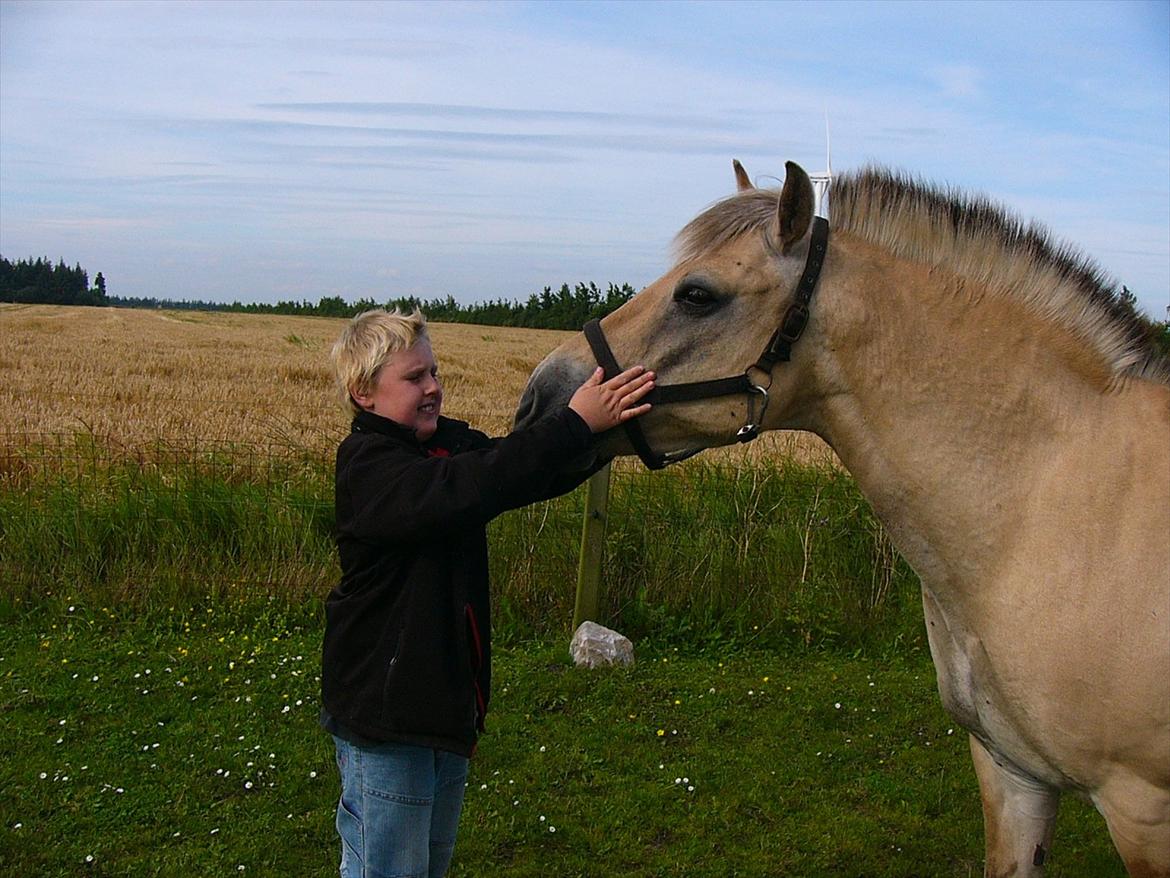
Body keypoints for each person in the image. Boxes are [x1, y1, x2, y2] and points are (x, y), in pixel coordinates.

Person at [320, 307, 654, 878]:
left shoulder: (443, 444)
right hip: (385, 719)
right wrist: (574, 425)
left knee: (422, 864)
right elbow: (468, 488)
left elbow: (520, 471)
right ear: (363, 393)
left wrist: (608, 435)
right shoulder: (369, 467)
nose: (433, 388)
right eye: (414, 378)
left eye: (434, 372)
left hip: (444, 711)